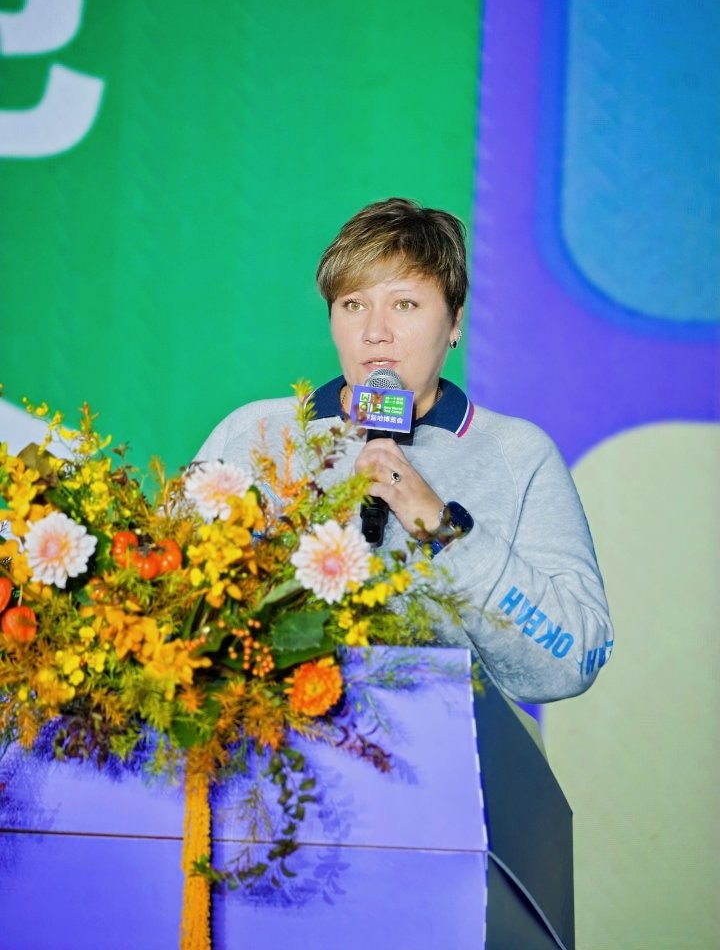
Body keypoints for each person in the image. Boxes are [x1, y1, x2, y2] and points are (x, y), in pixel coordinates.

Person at [194, 198, 613, 703]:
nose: (375, 333)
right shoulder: (253, 433)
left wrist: (442, 529)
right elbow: (164, 612)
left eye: (405, 305)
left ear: (455, 322)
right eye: (354, 305)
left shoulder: (518, 454)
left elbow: (573, 659)